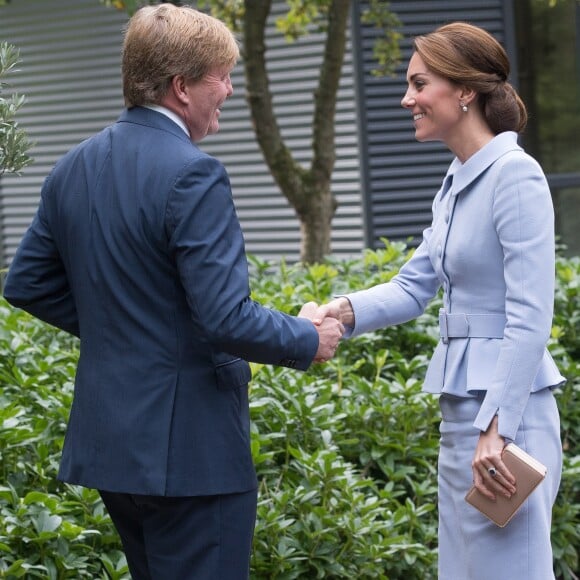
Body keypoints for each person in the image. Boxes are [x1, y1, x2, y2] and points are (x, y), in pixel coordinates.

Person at [2, 5, 343, 579]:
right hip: (192, 454)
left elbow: (27, 284)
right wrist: (306, 337)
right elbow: (224, 317)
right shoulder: (195, 173)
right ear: (182, 87)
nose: (231, 90)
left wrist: (132, 328)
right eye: (223, 76)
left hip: (113, 449)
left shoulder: (71, 168)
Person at [313, 22, 565, 580]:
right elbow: (413, 285)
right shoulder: (457, 179)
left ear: (465, 91)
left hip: (508, 419)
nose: (407, 98)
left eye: (419, 83)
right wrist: (341, 311)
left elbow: (530, 319)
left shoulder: (515, 176)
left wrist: (497, 427)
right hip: (463, 416)